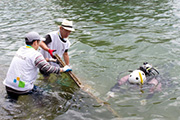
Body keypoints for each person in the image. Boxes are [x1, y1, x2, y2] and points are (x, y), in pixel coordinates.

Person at [3, 31, 72, 100]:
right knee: (46, 96)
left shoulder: (21, 49)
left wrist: (50, 60)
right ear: (35, 43)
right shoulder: (36, 54)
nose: (39, 45)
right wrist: (63, 69)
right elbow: (48, 69)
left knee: (11, 102)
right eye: (39, 43)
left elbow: (32, 60)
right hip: (21, 88)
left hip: (9, 84)